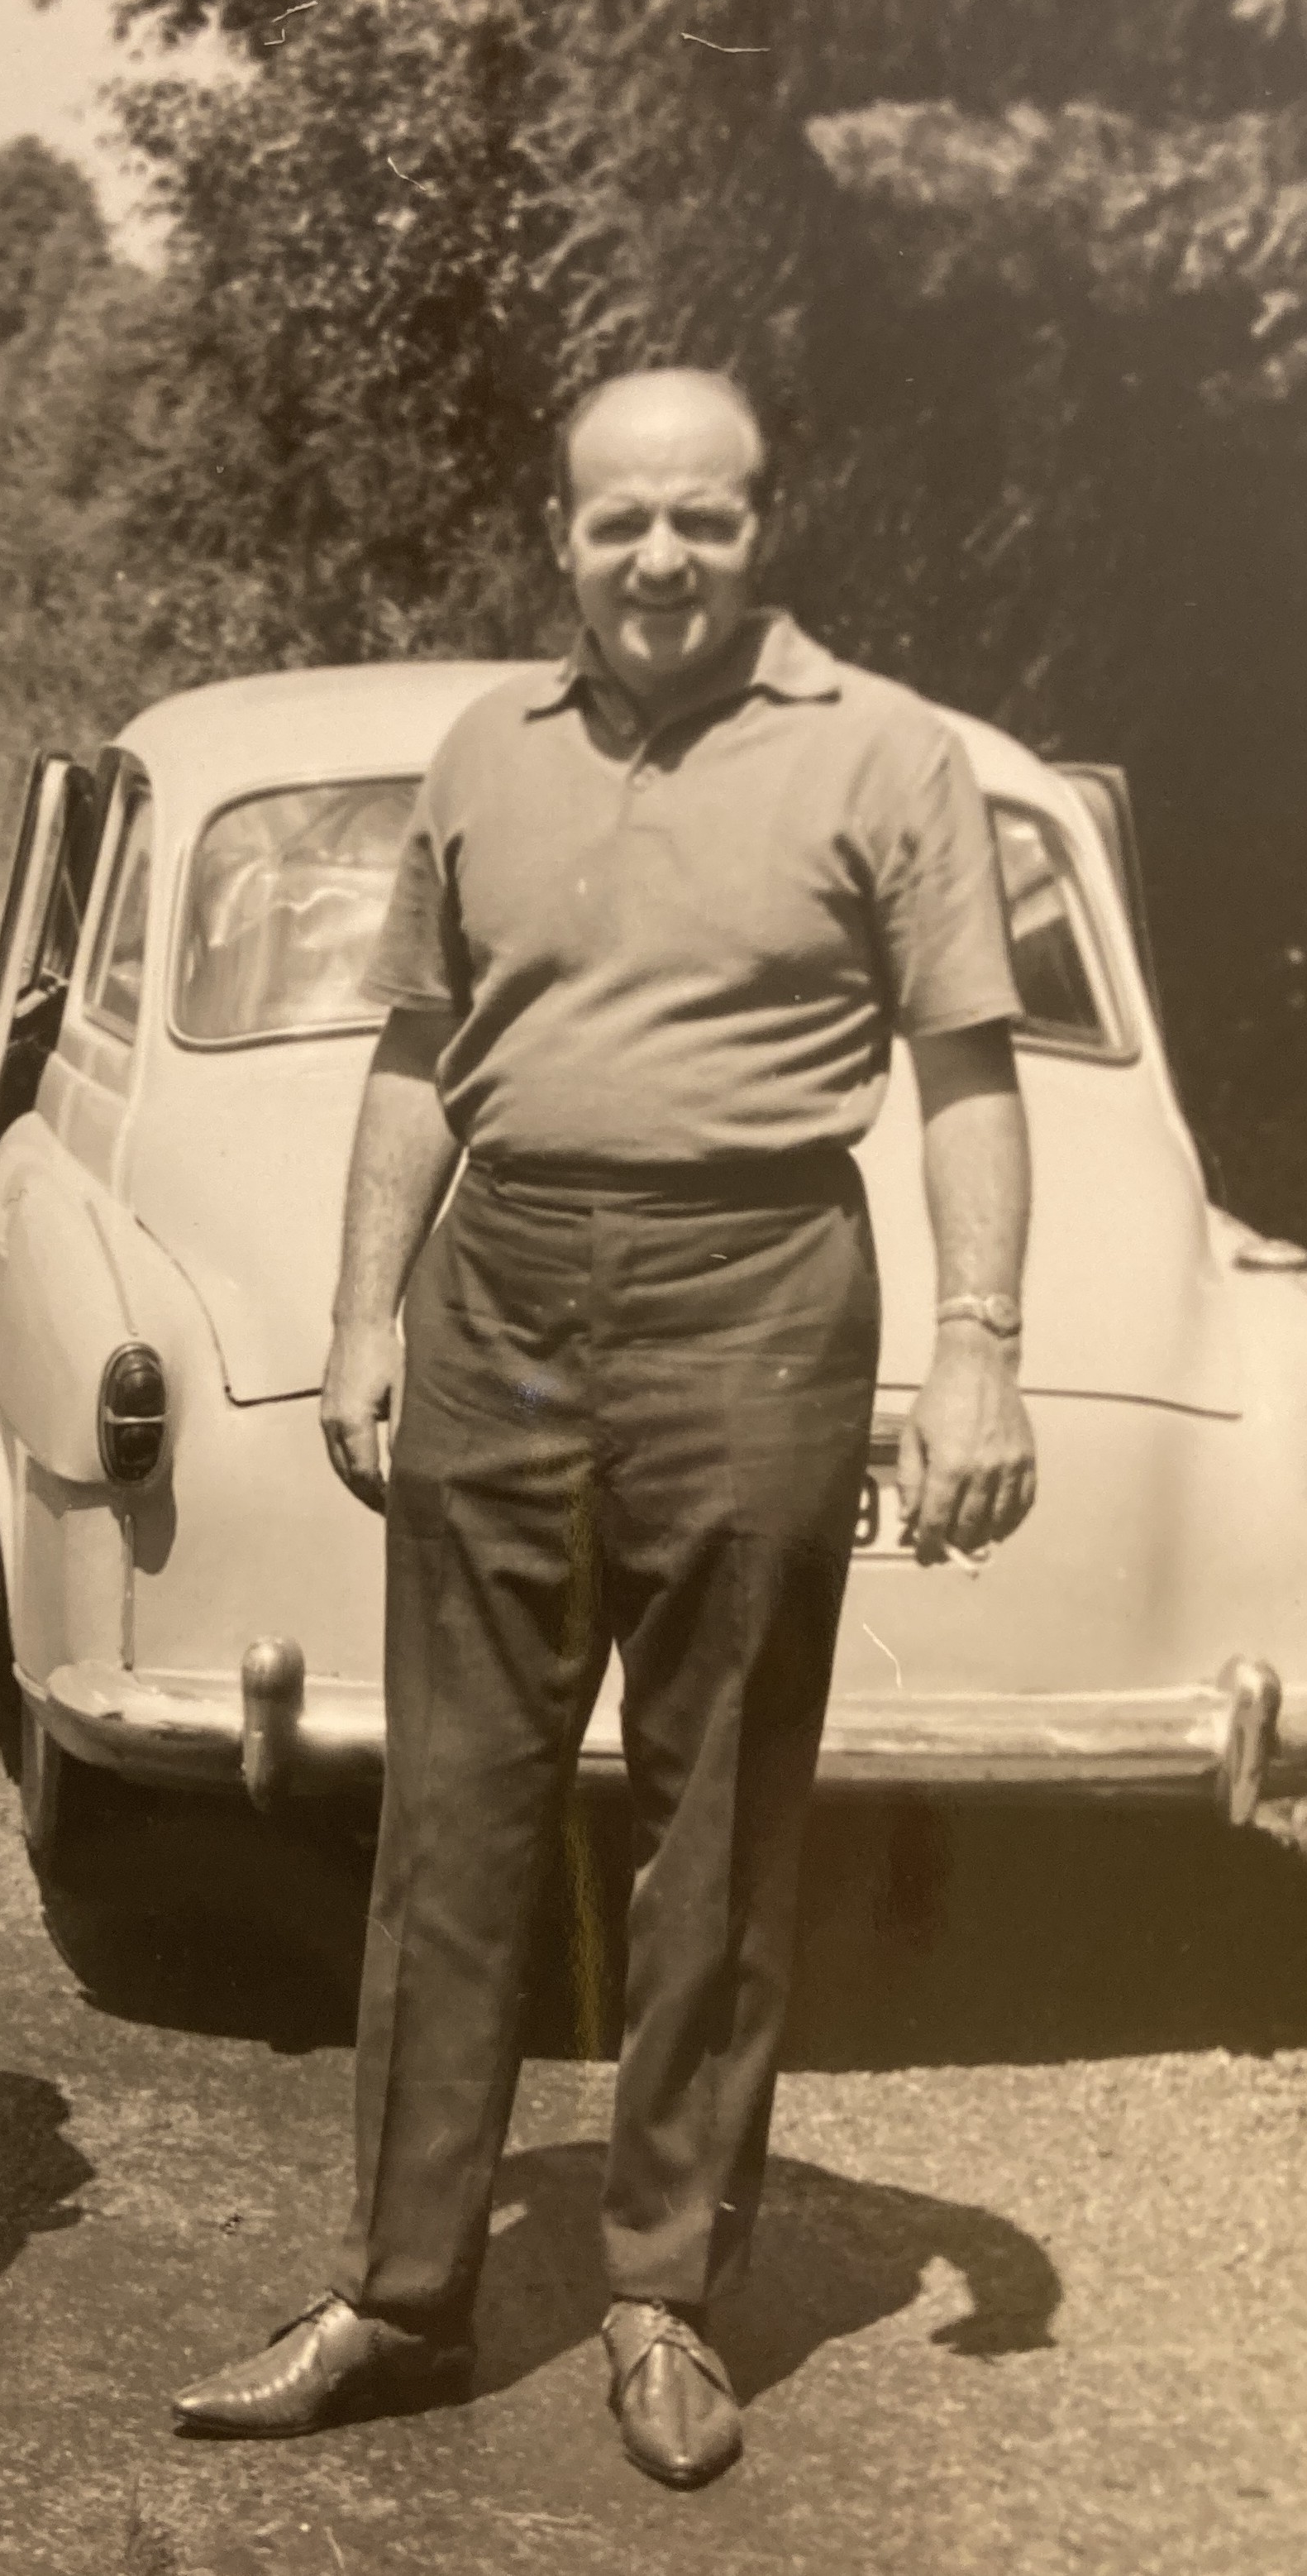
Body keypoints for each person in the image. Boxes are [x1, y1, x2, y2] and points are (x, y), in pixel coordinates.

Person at [171, 370, 1037, 2486]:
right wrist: (360, 1311)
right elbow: (414, 1043)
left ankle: (662, 2290)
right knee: (452, 1812)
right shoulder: (487, 749)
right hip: (499, 1289)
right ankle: (398, 2292)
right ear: (560, 530)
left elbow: (966, 1074)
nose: (659, 558)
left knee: (715, 1820)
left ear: (765, 523)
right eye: (619, 520)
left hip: (757, 1288)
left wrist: (980, 1346)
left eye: (701, 519)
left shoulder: (888, 753)